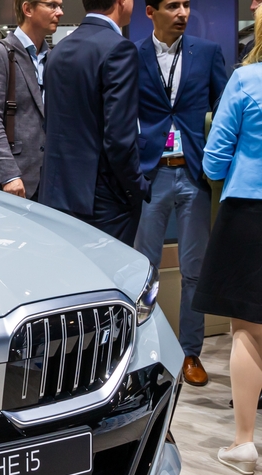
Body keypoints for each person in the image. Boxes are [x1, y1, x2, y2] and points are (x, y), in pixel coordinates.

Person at [133, 0, 228, 387]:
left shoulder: (207, 53)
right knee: (143, 270)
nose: (183, 12)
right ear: (151, 11)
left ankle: (191, 353)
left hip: (193, 174)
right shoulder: (133, 54)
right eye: (174, 5)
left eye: (187, 5)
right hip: (150, 174)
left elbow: (223, 107)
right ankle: (143, 352)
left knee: (194, 270)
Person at [193, 9, 262, 475]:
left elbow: (215, 159)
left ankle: (243, 443)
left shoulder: (247, 79)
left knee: (248, 329)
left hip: (250, 212)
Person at [41, 0, 151, 245]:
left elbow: (52, 124)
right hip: (104, 200)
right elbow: (119, 137)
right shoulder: (119, 49)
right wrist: (137, 187)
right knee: (113, 279)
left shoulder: (58, 49)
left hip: (57, 192)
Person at [0, 0, 61, 200]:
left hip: (47, 184)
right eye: (52, 5)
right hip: (9, 184)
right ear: (28, 9)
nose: (60, 12)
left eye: (61, 6)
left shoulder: (52, 59)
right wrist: (8, 174)